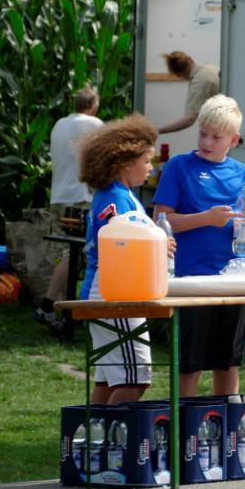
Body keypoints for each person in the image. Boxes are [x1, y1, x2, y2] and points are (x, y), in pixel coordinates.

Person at [153, 94, 245, 397]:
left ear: (233, 140)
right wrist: (207, 219)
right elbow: (161, 221)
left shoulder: (243, 173)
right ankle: (185, 421)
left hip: (234, 279)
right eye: (203, 133)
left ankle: (225, 422)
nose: (207, 142)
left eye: (216, 136)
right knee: (190, 364)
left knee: (228, 363)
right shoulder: (179, 167)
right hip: (192, 279)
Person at [78, 113, 175, 404]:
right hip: (115, 292)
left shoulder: (116, 194)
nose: (150, 167)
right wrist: (158, 247)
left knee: (109, 381)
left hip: (107, 289)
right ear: (125, 163)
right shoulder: (117, 198)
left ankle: (93, 433)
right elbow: (122, 247)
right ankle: (115, 434)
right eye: (146, 160)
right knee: (135, 379)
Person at [33, 85, 103, 333]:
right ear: (93, 106)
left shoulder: (59, 124)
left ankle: (66, 314)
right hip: (79, 197)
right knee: (73, 255)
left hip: (59, 197)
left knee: (66, 252)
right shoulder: (95, 125)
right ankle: (47, 306)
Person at [157, 51, 219, 135]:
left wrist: (158, 130)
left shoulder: (198, 82)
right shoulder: (212, 68)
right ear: (191, 59)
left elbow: (189, 120)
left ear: (178, 75)